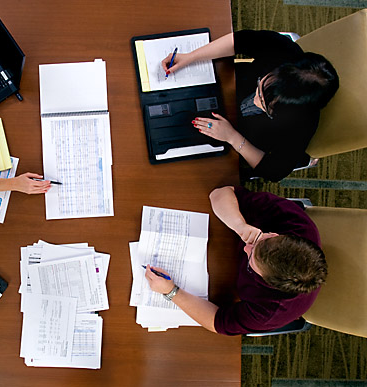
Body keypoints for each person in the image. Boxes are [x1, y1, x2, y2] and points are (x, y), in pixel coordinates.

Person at [145, 186, 328, 335]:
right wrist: (239, 225)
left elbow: (216, 321)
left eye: (251, 259)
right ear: (276, 234)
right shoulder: (299, 225)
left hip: (221, 282)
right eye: (260, 241)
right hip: (221, 242)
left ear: (265, 281)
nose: (246, 247)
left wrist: (171, 291)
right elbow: (220, 193)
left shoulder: (270, 312)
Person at [162, 30, 339, 181]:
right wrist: (190, 57)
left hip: (242, 139)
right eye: (261, 86)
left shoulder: (302, 124)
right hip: (226, 86)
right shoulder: (284, 50)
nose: (255, 99)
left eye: (265, 104)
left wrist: (232, 137)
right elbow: (239, 41)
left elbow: (273, 172)